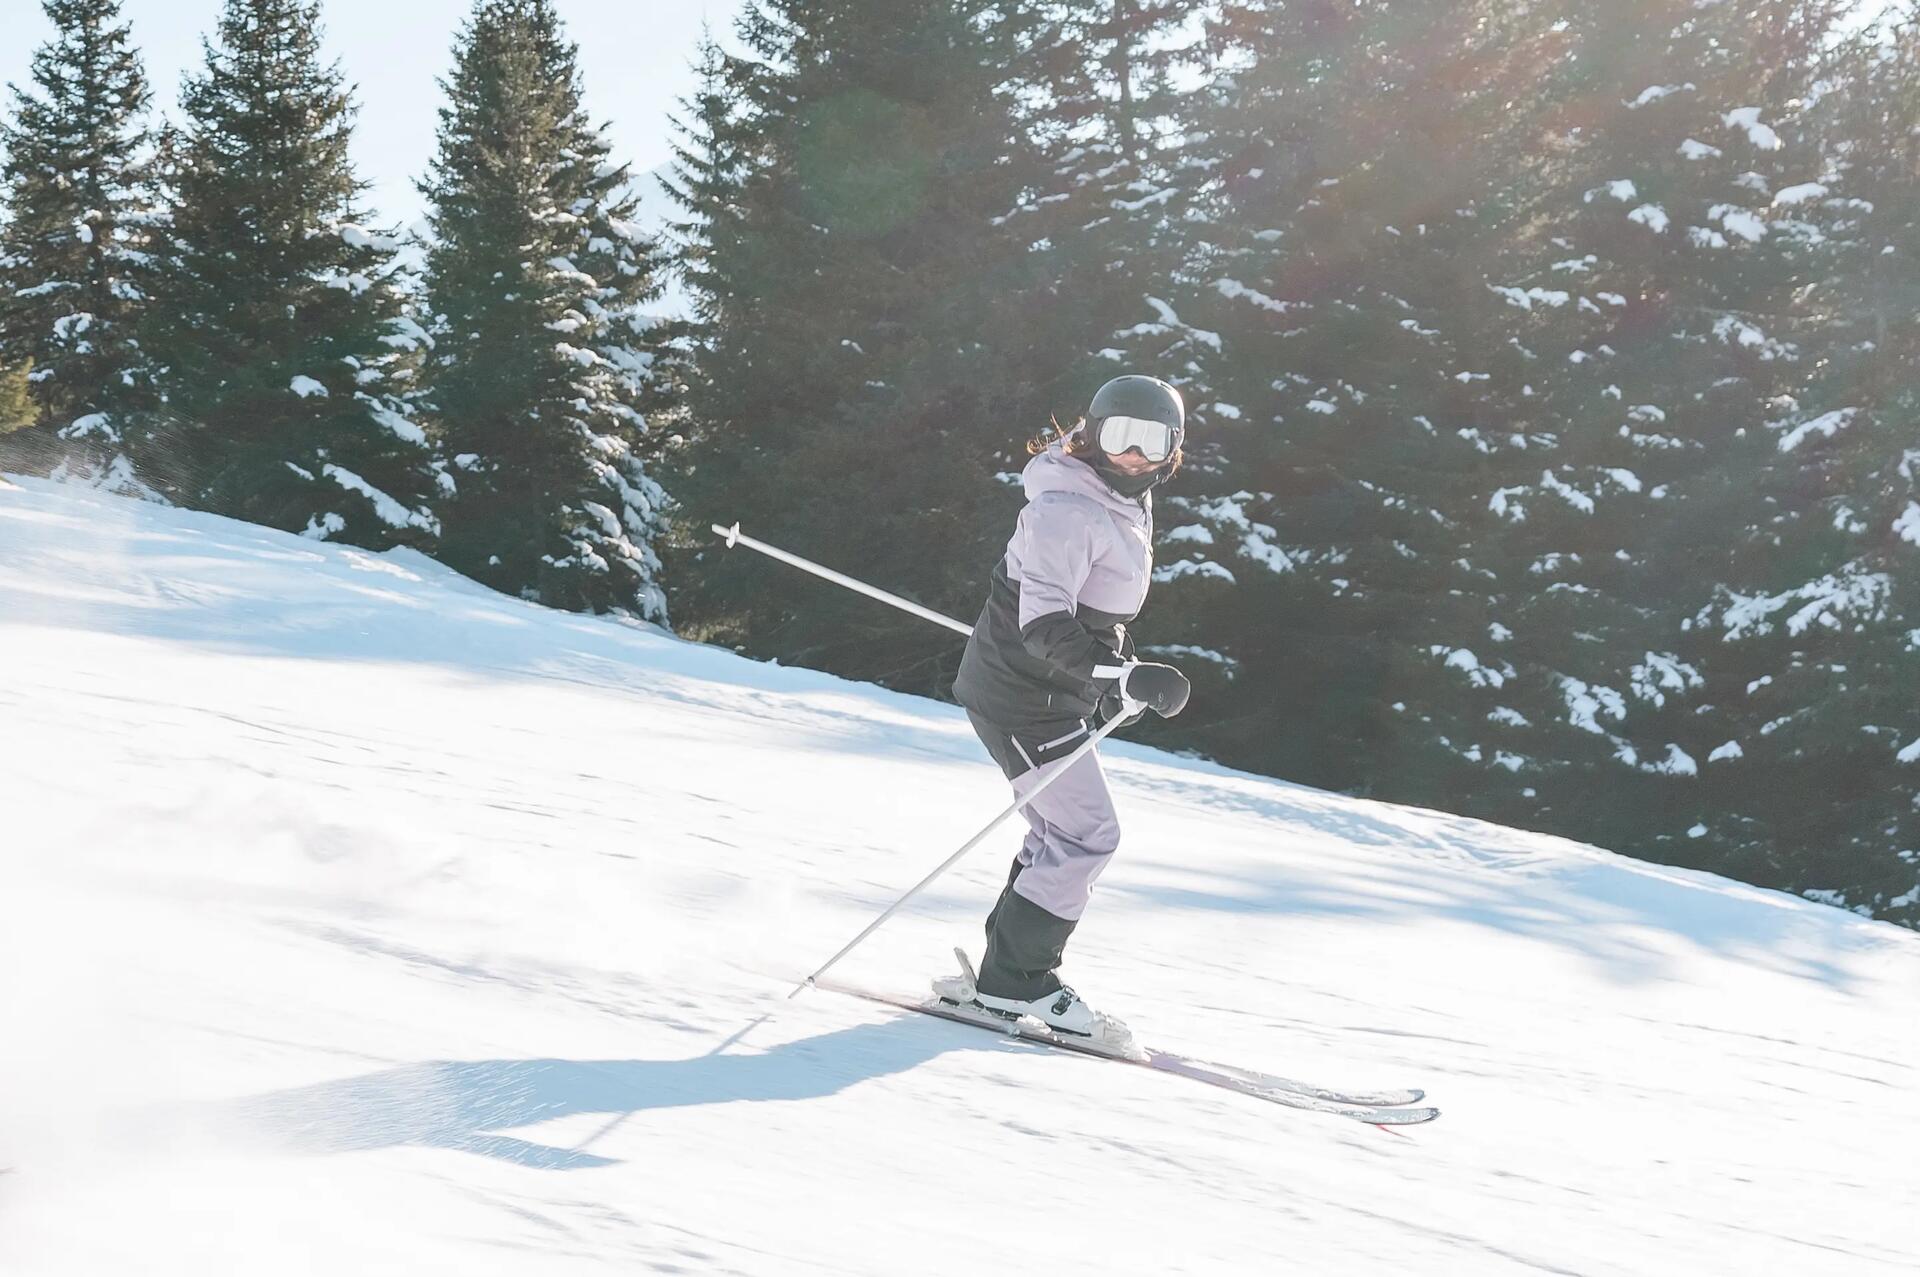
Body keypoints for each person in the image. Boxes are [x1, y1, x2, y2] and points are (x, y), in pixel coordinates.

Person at [945, 374, 1193, 1037]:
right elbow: (1046, 627)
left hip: (1045, 691)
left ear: (1172, 450)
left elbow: (1095, 612)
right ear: (1091, 433)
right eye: (1119, 437)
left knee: (1062, 834)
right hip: (1023, 695)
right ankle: (1016, 982)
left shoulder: (1113, 496)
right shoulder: (1067, 508)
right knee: (1087, 835)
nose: (1133, 455)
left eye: (1150, 442)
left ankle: (1004, 972)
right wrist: (1123, 674)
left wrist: (1117, 671)